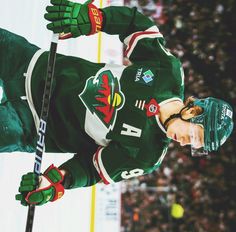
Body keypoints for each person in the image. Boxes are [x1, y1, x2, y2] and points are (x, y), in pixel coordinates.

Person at [0, 0, 234, 206]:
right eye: (194, 136)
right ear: (193, 111)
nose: (186, 143)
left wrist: (55, 183)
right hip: (32, 65)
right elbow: (137, 25)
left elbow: (92, 169)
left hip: (26, 124)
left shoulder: (147, 156)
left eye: (193, 144)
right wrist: (95, 19)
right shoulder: (168, 74)